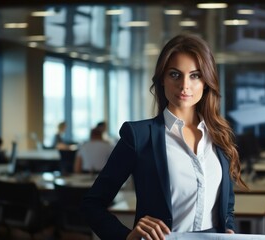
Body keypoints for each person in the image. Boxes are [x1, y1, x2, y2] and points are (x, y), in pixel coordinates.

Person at [81, 34, 248, 240]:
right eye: (175, 75)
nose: (185, 85)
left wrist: (227, 229)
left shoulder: (220, 136)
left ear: (206, 81)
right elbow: (92, 204)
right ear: (162, 79)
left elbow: (227, 206)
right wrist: (125, 237)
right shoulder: (139, 136)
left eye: (195, 75)